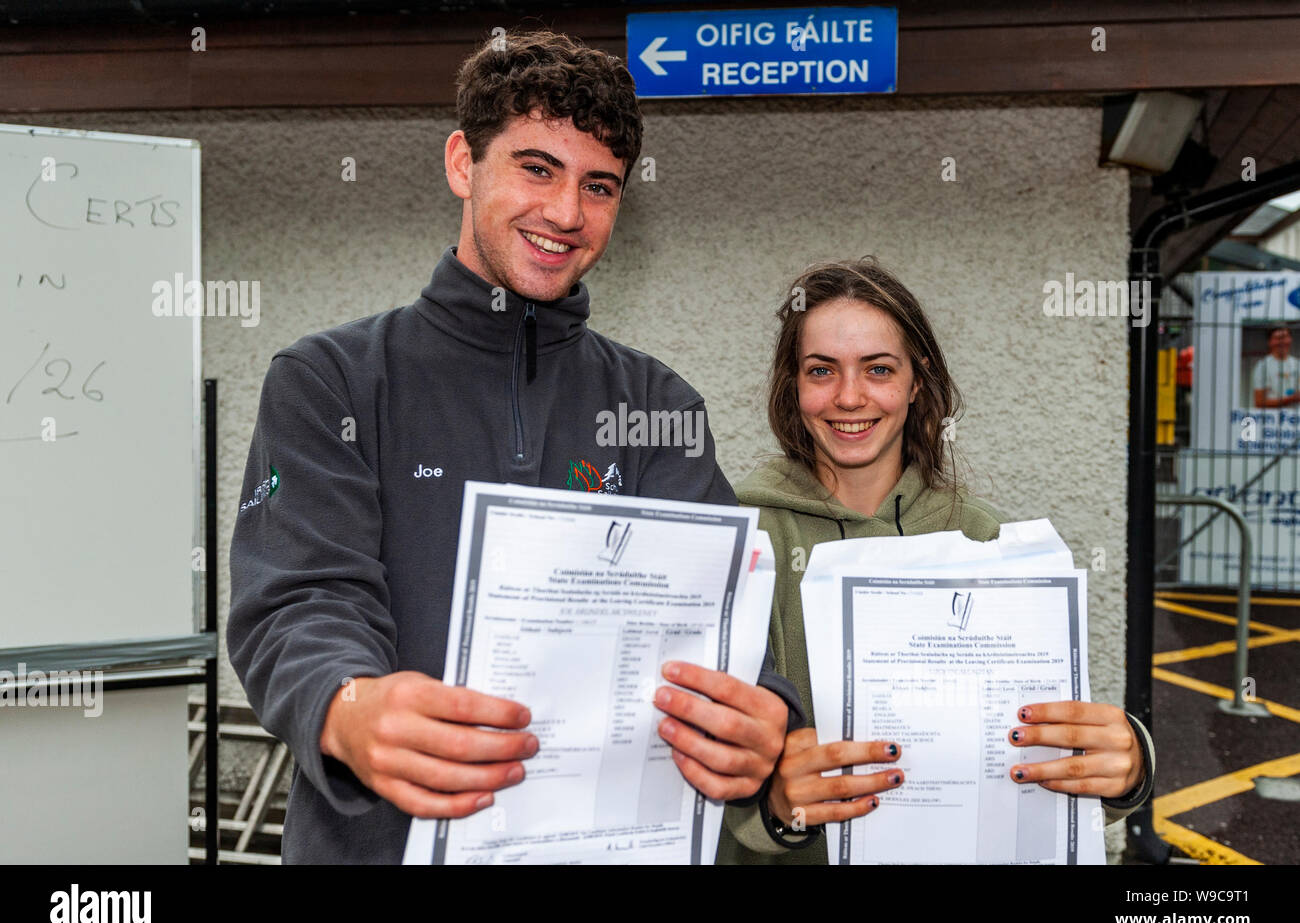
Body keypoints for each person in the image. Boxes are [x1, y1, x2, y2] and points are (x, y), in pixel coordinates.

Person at [226, 29, 794, 864]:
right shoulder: (330, 380)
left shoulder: (658, 403)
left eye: (598, 186)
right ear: (463, 163)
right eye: (537, 168)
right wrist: (348, 706)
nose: (566, 212)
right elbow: (301, 603)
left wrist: (765, 710)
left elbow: (722, 623)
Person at [716, 257, 1156, 864]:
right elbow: (693, 763)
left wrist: (1126, 766)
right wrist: (773, 808)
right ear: (794, 385)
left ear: (916, 382)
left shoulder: (989, 538)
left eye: (878, 369)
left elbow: (1052, 752)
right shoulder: (739, 538)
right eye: (822, 370)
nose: (849, 397)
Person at [1251, 324, 1299, 408]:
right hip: (1274, 418)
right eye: (1278, 338)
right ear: (1269, 342)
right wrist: (1289, 399)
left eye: (1285, 337)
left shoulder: (1297, 364)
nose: (1282, 342)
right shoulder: (1263, 366)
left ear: (1290, 339)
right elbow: (1259, 402)